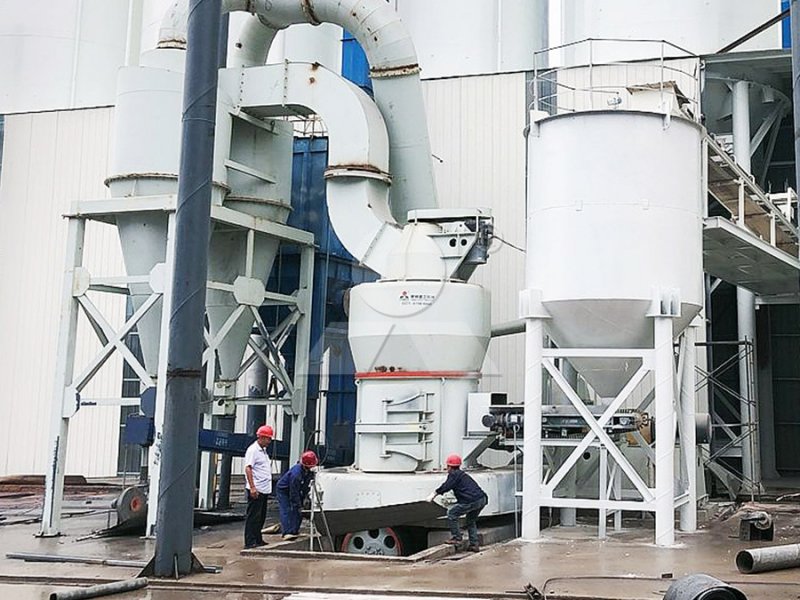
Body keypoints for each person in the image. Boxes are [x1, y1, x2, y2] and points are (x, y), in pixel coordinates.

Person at [426, 453, 488, 552]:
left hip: (470, 500)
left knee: (451, 513)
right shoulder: (462, 474)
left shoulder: (453, 475)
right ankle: (474, 544)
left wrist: (434, 494)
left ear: (449, 466)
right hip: (481, 499)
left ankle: (457, 538)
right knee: (471, 521)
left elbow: (447, 486)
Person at [276, 450, 318, 540]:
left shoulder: (307, 472)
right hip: (284, 490)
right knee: (286, 509)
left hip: (296, 489)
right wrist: (299, 504)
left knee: (298, 510)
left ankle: (294, 530)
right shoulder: (296, 474)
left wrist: (305, 497)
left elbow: (306, 485)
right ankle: (287, 532)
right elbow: (293, 492)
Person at [243, 424, 274, 549]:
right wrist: (252, 487)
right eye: (268, 439)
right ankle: (250, 541)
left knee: (261, 516)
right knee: (253, 516)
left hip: (264, 489)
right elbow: (248, 468)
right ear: (261, 437)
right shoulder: (253, 450)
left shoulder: (263, 451)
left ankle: (258, 538)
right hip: (257, 489)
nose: (269, 441)